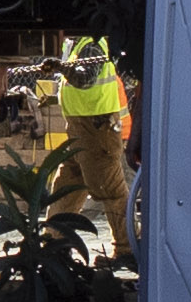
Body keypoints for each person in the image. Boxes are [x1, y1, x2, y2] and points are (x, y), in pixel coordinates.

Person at [52, 36, 136, 256]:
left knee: (111, 190)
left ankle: (128, 249)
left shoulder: (92, 43)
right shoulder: (79, 43)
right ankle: (54, 244)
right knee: (67, 187)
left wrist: (60, 67)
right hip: (81, 127)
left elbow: (85, 78)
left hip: (96, 127)